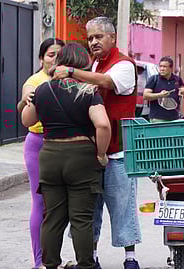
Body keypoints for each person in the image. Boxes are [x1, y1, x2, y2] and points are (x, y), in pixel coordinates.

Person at [53, 17, 141, 269]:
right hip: (92, 151)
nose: (93, 42)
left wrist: (70, 71)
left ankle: (130, 258)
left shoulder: (123, 64)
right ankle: (91, 258)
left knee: (122, 206)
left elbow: (106, 83)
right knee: (90, 209)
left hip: (119, 151)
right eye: (90, 38)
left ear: (112, 38)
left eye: (98, 37)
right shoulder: (95, 65)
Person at [22, 42, 111, 269]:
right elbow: (102, 125)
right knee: (81, 218)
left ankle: (49, 264)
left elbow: (27, 120)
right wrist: (101, 154)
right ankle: (85, 265)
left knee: (52, 217)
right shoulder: (88, 91)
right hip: (80, 157)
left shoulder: (43, 89)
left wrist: (29, 99)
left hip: (50, 155)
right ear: (82, 64)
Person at [17, 37, 65, 269]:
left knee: (63, 205)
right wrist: (26, 98)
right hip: (38, 143)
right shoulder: (35, 80)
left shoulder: (72, 79)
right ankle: (40, 261)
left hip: (65, 145)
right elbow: (26, 93)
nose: (55, 59)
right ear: (41, 58)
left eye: (59, 54)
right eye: (50, 54)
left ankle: (56, 256)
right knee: (40, 202)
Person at [143, 56, 184, 123]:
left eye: (164, 67)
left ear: (171, 68)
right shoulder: (154, 79)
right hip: (158, 119)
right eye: (160, 66)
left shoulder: (177, 79)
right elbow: (145, 96)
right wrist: (160, 95)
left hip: (175, 118)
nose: (161, 69)